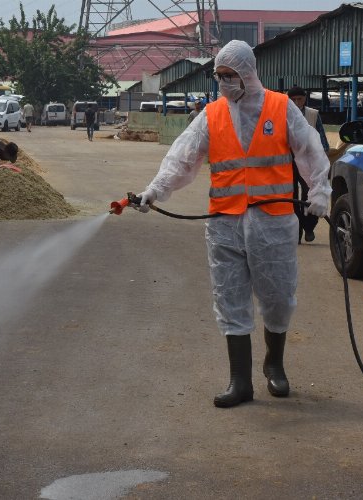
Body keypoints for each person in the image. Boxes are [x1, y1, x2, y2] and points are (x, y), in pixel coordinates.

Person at [134, 40, 331, 408]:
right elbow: (182, 158)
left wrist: (319, 191)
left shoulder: (280, 106)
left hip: (272, 222)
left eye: (231, 76)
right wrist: (154, 191)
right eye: (219, 76)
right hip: (225, 221)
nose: (224, 83)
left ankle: (274, 364)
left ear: (248, 73)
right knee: (230, 297)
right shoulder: (212, 115)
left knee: (277, 298)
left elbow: (309, 150)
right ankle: (240, 381)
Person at [287, 87, 329, 244]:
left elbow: (322, 138)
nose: (297, 102)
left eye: (300, 99)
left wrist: (322, 159)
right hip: (288, 161)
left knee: (309, 194)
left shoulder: (313, 114)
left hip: (307, 162)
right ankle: (295, 232)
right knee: (290, 197)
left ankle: (309, 226)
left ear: (305, 98)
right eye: (293, 99)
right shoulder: (283, 114)